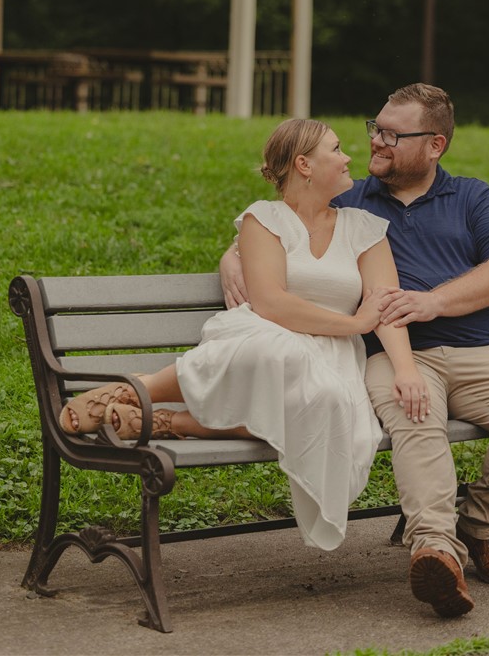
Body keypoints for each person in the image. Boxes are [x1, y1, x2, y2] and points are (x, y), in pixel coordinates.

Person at [221, 84, 489, 617]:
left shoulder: (474, 197)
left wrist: (434, 301)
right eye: (375, 129)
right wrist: (228, 255)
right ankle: (435, 549)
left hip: (478, 351)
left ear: (435, 145)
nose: (377, 143)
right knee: (415, 411)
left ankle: (483, 525)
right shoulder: (353, 197)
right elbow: (282, 220)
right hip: (391, 354)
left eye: (392, 135)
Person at [58, 118, 427, 552]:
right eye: (337, 148)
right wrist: (355, 324)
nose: (349, 157)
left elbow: (386, 308)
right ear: (304, 164)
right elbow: (272, 304)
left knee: (323, 402)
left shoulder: (364, 228)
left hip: (331, 356)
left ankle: (170, 422)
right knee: (277, 352)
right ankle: (135, 390)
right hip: (265, 334)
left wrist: (405, 369)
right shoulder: (265, 219)